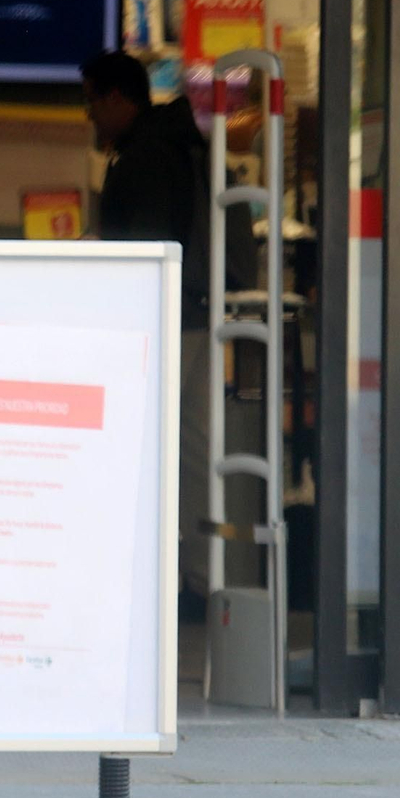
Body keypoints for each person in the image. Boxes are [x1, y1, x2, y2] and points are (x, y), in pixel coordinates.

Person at [80, 51, 255, 617]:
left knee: (152, 450)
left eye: (92, 102)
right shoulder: (177, 142)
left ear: (115, 99)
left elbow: (143, 252)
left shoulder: (145, 156)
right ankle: (204, 577)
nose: (89, 117)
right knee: (196, 448)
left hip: (164, 322)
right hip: (198, 315)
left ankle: (167, 580)